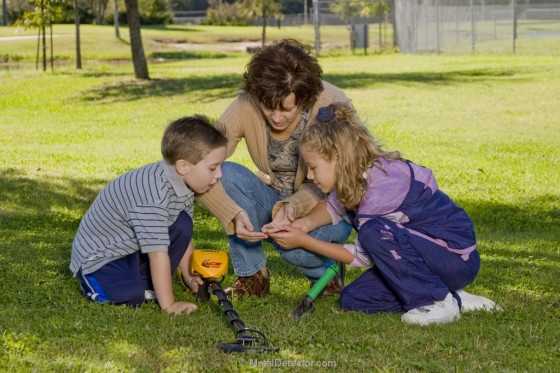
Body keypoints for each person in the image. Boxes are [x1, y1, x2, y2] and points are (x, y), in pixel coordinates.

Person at [268, 103, 500, 325]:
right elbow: (333, 207)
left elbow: (361, 257)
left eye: (313, 166)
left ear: (336, 157)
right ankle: (454, 298)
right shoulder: (355, 176)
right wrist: (304, 225)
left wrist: (304, 241)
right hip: (427, 263)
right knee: (354, 299)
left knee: (372, 232)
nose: (309, 175)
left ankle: (437, 301)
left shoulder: (381, 190)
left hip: (454, 259)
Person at [196, 39, 352, 297]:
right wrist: (230, 213)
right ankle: (252, 276)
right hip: (274, 201)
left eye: (287, 109)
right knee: (228, 174)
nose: (277, 117)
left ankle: (326, 273)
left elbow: (338, 179)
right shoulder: (245, 104)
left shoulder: (331, 104)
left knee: (293, 246)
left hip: (326, 207)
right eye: (269, 107)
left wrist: (291, 209)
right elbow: (200, 161)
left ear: (304, 96)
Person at [70, 116, 228, 315]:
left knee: (183, 223)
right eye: (213, 168)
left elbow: (182, 233)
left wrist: (189, 276)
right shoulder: (152, 195)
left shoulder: (182, 183)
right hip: (102, 256)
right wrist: (169, 305)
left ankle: (146, 283)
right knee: (130, 296)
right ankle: (92, 279)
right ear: (183, 166)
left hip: (131, 247)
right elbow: (157, 252)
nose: (219, 174)